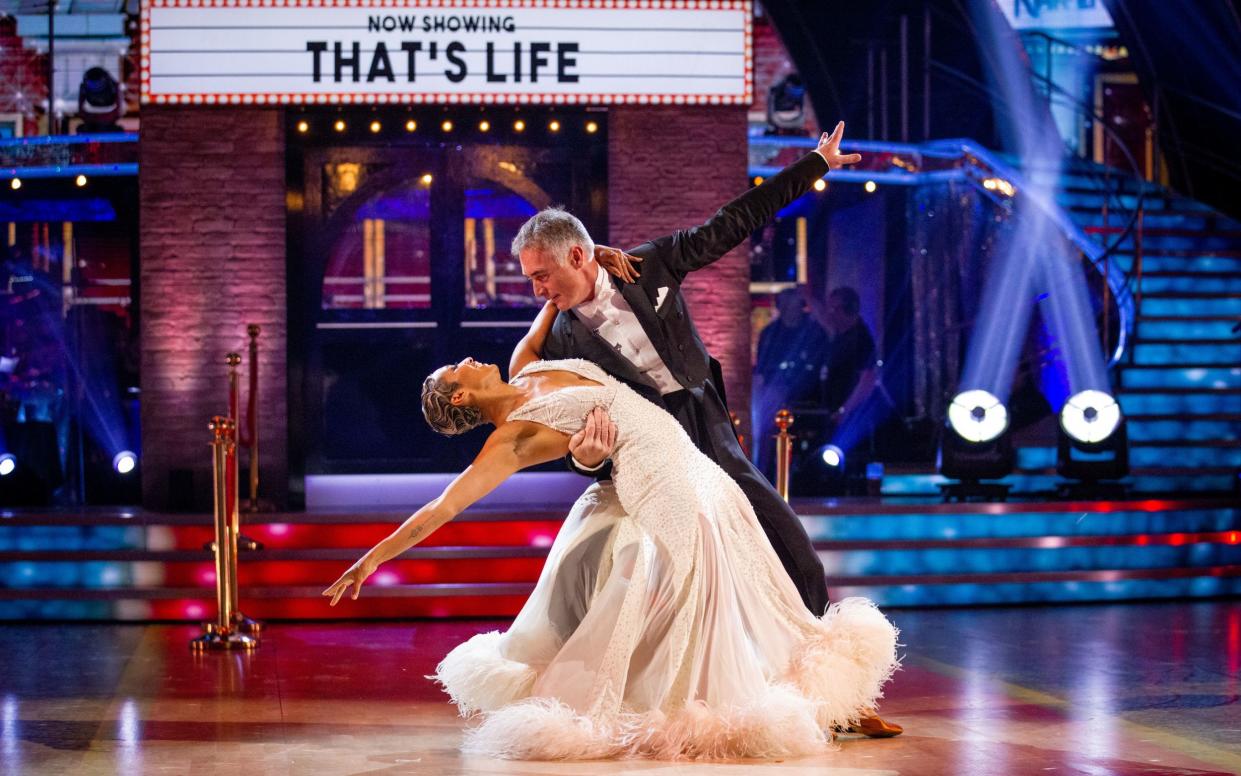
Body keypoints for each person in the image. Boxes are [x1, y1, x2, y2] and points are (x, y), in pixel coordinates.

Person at [323, 355, 900, 760]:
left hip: (697, 470)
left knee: (755, 594)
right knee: (696, 606)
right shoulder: (513, 437)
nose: (470, 359)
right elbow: (444, 506)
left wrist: (585, 262)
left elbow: (551, 303)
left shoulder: (529, 368)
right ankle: (704, 706)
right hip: (664, 490)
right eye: (460, 368)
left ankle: (833, 706)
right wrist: (372, 559)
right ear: (460, 396)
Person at [506, 122, 860, 621]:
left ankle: (821, 625)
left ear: (579, 256)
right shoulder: (561, 341)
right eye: (531, 280)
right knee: (666, 550)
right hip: (647, 444)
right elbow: (548, 406)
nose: (536, 290)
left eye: (542, 276)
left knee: (764, 511)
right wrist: (585, 462)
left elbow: (733, 222)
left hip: (699, 409)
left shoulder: (648, 265)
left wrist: (815, 165)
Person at [752, 288, 829, 477]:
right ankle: (762, 473)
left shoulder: (814, 332)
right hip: (776, 392)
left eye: (794, 306)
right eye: (786, 306)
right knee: (767, 424)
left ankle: (811, 475)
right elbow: (762, 370)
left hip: (808, 393)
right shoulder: (769, 334)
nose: (791, 310)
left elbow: (819, 363)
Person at [818, 286, 877, 425]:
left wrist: (844, 411)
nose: (830, 314)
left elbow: (867, 381)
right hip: (835, 412)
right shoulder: (841, 336)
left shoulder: (861, 340)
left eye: (833, 309)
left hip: (850, 417)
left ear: (847, 309)